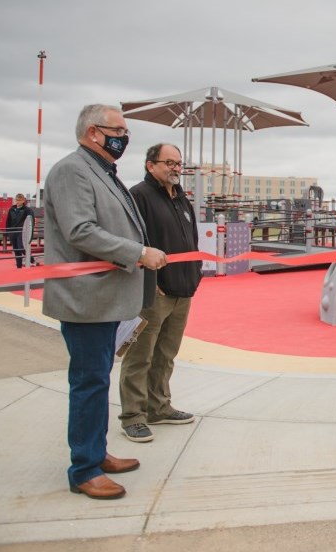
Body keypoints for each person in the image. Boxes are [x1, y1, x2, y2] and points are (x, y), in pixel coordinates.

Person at [43, 104, 167, 500]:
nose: (125, 138)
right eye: (119, 130)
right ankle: (84, 469)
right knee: (89, 383)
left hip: (106, 299)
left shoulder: (102, 171)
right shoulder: (71, 170)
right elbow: (81, 230)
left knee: (98, 380)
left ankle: (96, 452)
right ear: (94, 132)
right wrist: (137, 252)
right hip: (87, 299)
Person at [118, 144, 202, 443]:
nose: (175, 168)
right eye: (169, 162)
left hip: (183, 290)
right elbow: (129, 241)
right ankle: (133, 416)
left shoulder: (180, 199)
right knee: (140, 356)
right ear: (150, 165)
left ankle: (159, 407)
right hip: (154, 292)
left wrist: (195, 274)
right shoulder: (139, 196)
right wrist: (148, 280)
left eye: (179, 163)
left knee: (166, 355)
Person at [5, 193, 34, 268]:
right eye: (17, 200)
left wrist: (31, 232)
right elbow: (8, 220)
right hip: (13, 231)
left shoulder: (27, 210)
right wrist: (7, 232)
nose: (18, 201)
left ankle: (31, 258)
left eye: (20, 200)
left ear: (23, 200)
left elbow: (31, 220)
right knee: (16, 249)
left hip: (22, 231)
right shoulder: (12, 209)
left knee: (21, 247)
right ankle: (19, 266)